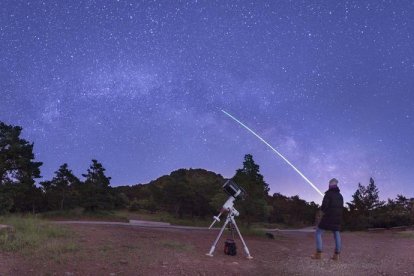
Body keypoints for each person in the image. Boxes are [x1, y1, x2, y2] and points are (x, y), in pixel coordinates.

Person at [311, 178, 344, 261]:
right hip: (337, 218)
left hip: (328, 217)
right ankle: (337, 255)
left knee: (318, 232)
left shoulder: (328, 194)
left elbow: (324, 206)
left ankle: (319, 254)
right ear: (336, 185)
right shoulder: (340, 196)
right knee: (336, 234)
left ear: (330, 185)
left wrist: (320, 214)